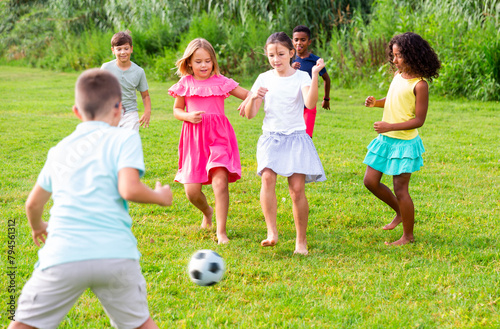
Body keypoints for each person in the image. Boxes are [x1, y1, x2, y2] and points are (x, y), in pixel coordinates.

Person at [8, 69, 172, 329]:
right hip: (115, 255)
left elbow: (32, 204)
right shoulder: (125, 138)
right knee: (141, 325)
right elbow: (128, 189)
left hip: (63, 255)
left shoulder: (59, 150)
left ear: (76, 111)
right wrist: (160, 196)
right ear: (118, 109)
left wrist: (38, 227)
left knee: (23, 324)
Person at [244, 32, 326, 255]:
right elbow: (251, 115)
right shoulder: (263, 78)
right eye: (271, 55)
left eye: (280, 54)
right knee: (268, 178)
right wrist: (253, 97)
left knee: (297, 190)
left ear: (291, 53)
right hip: (271, 137)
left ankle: (301, 242)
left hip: (296, 138)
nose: (275, 59)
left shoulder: (301, 77)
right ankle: (272, 232)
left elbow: (309, 103)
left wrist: (316, 74)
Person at [168, 38, 250, 244]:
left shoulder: (222, 82)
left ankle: (221, 232)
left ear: (213, 62)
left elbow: (248, 95)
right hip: (194, 140)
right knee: (192, 191)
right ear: (189, 63)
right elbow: (177, 110)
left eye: (207, 61)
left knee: (220, 183)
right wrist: (187, 116)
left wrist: (255, 97)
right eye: (198, 61)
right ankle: (207, 211)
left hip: (219, 137)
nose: (203, 65)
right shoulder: (185, 84)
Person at [363, 32, 440, 246]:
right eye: (393, 55)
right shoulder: (398, 74)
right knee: (370, 181)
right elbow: (394, 99)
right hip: (386, 140)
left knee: (400, 188)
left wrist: (390, 126)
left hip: (404, 143)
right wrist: (376, 103)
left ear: (413, 55)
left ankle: (408, 236)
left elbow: (419, 120)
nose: (394, 60)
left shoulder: (420, 85)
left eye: (399, 56)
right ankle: (400, 212)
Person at [101, 31, 151, 131]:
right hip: (110, 113)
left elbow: (145, 95)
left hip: (130, 114)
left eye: (126, 48)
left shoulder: (139, 72)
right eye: (119, 49)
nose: (123, 52)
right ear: (113, 50)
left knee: (129, 143)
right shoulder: (106, 68)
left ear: (131, 49)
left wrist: (147, 111)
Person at [291, 25, 331, 138]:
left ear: (309, 42)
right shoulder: (288, 60)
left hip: (309, 105)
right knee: (291, 135)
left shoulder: (316, 60)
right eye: (296, 40)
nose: (299, 43)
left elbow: (326, 79)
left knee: (306, 137)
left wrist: (326, 99)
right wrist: (290, 67)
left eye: (303, 40)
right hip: (293, 104)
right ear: (292, 41)